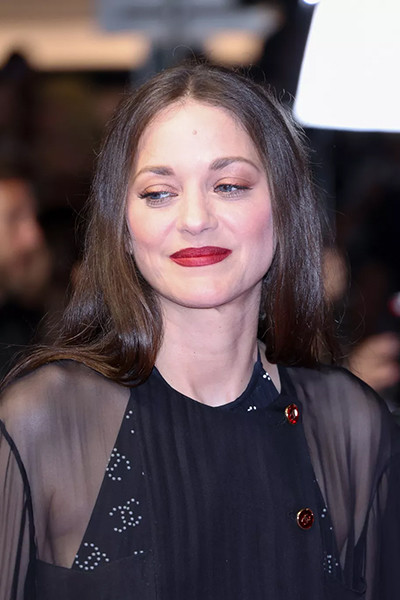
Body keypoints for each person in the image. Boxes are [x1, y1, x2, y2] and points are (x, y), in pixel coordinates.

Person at [0, 63, 399, 600]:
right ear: (122, 226)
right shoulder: (46, 421)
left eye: (229, 186)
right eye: (158, 192)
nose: (194, 218)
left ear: (283, 206)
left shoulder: (350, 425)